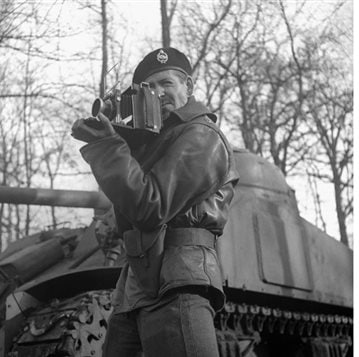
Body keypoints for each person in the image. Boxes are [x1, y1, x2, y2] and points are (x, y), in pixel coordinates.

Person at [71, 47, 239, 357]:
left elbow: (151, 206)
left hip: (178, 275)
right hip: (138, 280)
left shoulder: (201, 135)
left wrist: (110, 147)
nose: (159, 94)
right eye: (149, 89)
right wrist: (116, 141)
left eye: (167, 84)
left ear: (187, 86)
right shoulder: (156, 143)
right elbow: (129, 208)